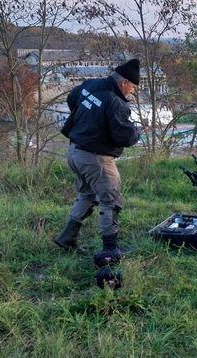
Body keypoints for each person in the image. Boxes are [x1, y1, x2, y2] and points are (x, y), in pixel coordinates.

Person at [53, 59, 142, 252]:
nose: (133, 91)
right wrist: (137, 132)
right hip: (96, 159)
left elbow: (71, 100)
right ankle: (110, 250)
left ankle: (67, 237)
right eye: (133, 87)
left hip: (74, 151)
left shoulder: (89, 85)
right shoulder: (116, 102)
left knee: (86, 194)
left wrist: (88, 121)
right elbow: (125, 136)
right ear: (124, 82)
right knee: (111, 201)